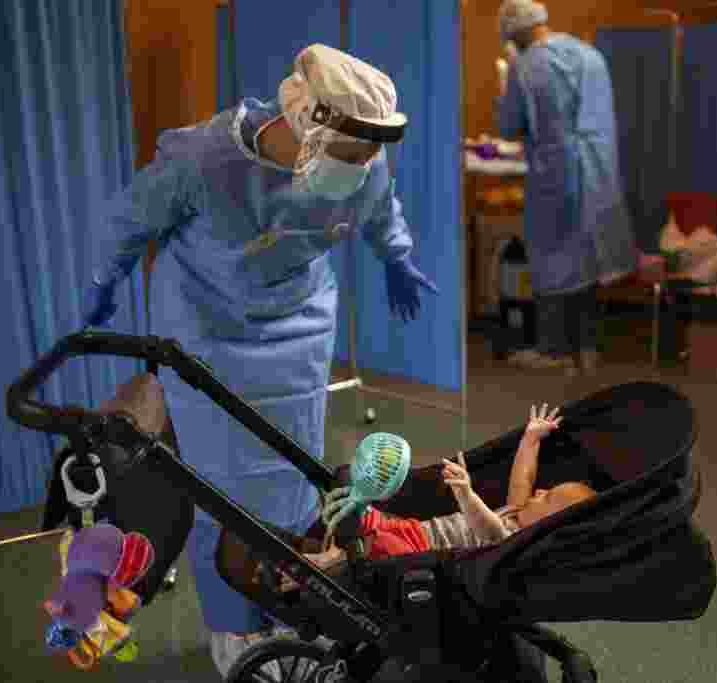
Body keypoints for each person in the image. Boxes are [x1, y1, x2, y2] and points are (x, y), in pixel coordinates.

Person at [81, 44, 439, 679]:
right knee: (221, 489)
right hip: (207, 331)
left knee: (295, 475)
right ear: (308, 126)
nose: (361, 169)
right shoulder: (203, 158)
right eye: (351, 156)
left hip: (299, 333)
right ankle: (233, 628)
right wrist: (107, 277)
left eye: (368, 157)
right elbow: (134, 217)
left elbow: (380, 208)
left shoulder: (362, 164)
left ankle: (290, 605)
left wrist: (400, 260)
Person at [275, 404, 596, 585]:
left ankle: (318, 569)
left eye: (548, 497)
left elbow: (489, 529)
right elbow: (522, 475)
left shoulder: (512, 539)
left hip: (422, 553)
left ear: (550, 524)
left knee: (379, 548)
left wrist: (467, 495)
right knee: (365, 517)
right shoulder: (517, 508)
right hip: (417, 530)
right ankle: (332, 549)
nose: (540, 489)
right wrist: (531, 439)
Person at [496, 0, 648, 374]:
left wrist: (506, 91)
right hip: (598, 172)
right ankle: (588, 347)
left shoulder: (526, 66)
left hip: (556, 174)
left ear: (512, 33)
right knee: (589, 256)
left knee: (551, 256)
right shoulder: (591, 56)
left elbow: (511, 126)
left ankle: (554, 348)